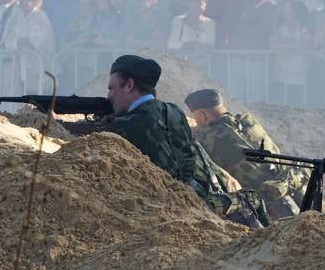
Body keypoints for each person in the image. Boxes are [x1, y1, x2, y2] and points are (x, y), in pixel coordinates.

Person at [94, 55, 256, 222]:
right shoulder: (173, 110)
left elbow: (97, 141)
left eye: (111, 88)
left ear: (129, 85)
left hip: (177, 209)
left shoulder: (130, 125)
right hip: (197, 196)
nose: (109, 96)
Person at [184, 88, 305, 219]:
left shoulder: (208, 138)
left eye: (196, 118)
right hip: (294, 190)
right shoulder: (249, 123)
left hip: (266, 206)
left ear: (203, 115)